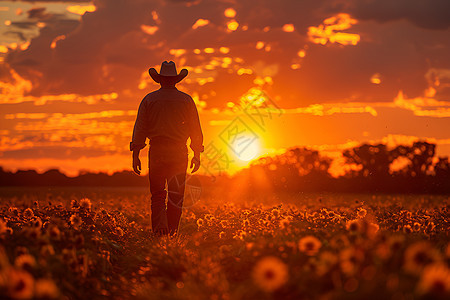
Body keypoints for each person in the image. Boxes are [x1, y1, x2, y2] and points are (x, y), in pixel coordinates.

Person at [130, 61, 204, 236]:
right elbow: (195, 129)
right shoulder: (186, 100)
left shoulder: (149, 99)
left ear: (160, 80)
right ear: (176, 80)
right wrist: (196, 154)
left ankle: (160, 232)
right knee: (176, 196)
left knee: (157, 194)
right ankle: (172, 233)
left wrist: (135, 154)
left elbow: (140, 128)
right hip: (179, 152)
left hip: (157, 151)